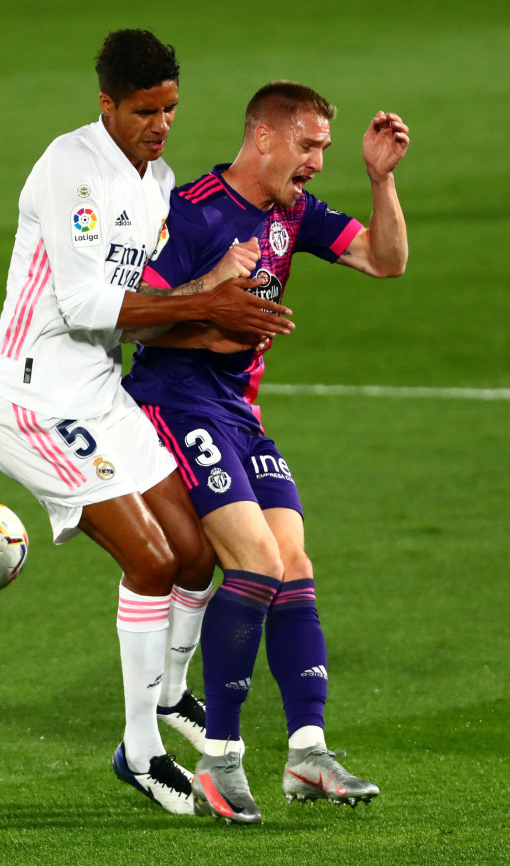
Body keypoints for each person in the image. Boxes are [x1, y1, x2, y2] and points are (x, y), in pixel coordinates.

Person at [0, 35, 294, 816]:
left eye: (171, 109)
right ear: (107, 105)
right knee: (150, 563)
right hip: (32, 398)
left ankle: (171, 696)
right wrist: (203, 304)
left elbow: (138, 311)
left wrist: (211, 285)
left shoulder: (158, 183)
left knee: (193, 553)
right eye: (145, 111)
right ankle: (142, 752)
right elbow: (85, 306)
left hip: (99, 393)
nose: (160, 125)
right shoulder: (70, 166)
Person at [123, 80, 409, 823]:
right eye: (309, 145)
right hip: (176, 399)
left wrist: (382, 181)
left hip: (239, 413)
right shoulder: (190, 213)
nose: (318, 160)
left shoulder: (294, 213)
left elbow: (385, 260)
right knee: (254, 561)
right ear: (265, 139)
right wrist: (212, 290)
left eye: (326, 148)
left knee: (295, 563)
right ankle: (218, 760)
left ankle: (308, 753)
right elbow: (136, 323)